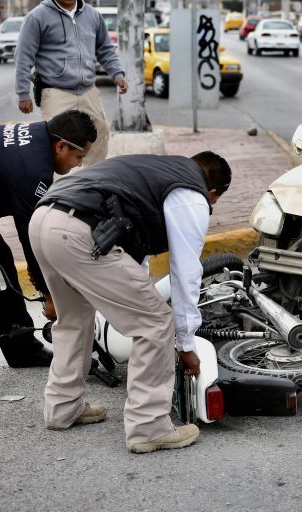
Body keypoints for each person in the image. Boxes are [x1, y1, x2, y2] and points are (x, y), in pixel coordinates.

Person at [28, 151, 231, 454]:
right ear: (213, 192)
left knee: (73, 319)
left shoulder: (155, 171)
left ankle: (62, 407)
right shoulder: (192, 194)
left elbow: (136, 257)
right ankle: (148, 427)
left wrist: (140, 297)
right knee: (156, 322)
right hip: (79, 231)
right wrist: (185, 344)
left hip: (45, 219)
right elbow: (186, 272)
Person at [0, 110, 96, 368]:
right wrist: (49, 294)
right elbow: (32, 238)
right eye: (78, 156)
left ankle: (22, 349)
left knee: (1, 262)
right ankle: (21, 348)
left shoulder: (37, 136)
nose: (78, 164)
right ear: (61, 146)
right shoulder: (33, 169)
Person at [15, 0, 129, 166]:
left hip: (88, 90)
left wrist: (117, 73)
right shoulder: (37, 16)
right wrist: (23, 93)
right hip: (56, 91)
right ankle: (60, 190)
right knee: (57, 144)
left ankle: (92, 183)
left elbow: (105, 49)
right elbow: (24, 56)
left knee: (99, 133)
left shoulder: (93, 15)